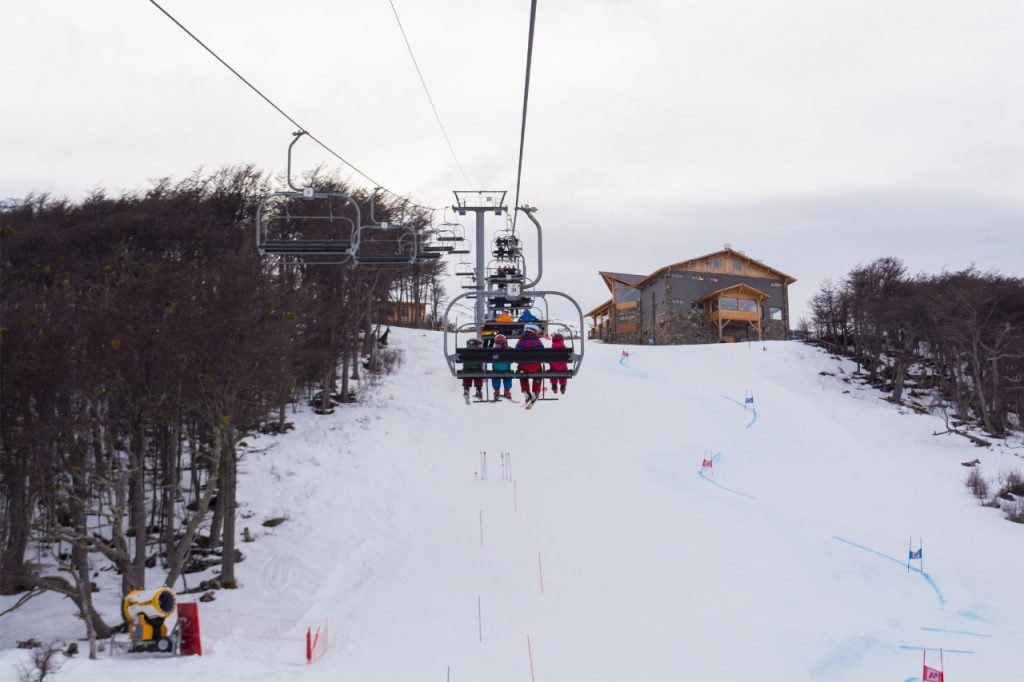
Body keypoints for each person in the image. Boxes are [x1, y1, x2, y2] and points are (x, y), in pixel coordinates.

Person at [515, 324, 544, 401]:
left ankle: (526, 391)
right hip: (535, 366)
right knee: (538, 373)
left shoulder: (521, 340)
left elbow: (516, 353)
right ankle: (536, 391)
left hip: (523, 366)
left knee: (522, 374)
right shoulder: (537, 341)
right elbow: (542, 352)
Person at [490, 334, 513, 400]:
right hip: (506, 370)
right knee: (507, 376)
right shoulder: (509, 349)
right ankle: (507, 391)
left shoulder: (493, 350)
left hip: (496, 370)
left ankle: (496, 391)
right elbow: (512, 360)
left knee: (495, 377)